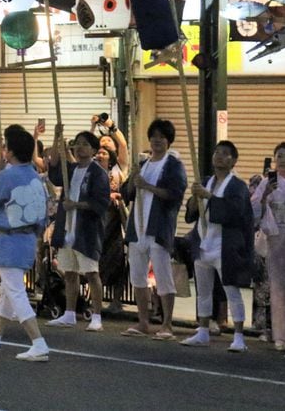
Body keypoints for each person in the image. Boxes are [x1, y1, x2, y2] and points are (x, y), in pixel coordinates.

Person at [0, 125, 51, 362]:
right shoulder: (35, 177)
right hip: (29, 239)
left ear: (10, 151)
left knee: (15, 291)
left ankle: (38, 342)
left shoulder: (8, 175)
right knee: (9, 290)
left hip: (8, 238)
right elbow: (44, 212)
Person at [179, 140, 253, 352]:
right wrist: (196, 196)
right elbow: (192, 213)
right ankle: (202, 330)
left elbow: (235, 213)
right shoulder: (206, 181)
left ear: (234, 160)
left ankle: (239, 335)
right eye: (217, 152)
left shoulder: (237, 186)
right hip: (204, 241)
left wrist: (209, 197)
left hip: (224, 244)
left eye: (225, 154)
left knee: (231, 290)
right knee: (203, 291)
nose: (219, 156)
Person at [121, 119, 187, 340]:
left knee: (163, 275)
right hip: (137, 229)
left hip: (158, 228)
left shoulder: (173, 165)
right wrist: (134, 180)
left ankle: (167, 324)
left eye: (161, 137)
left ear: (168, 141)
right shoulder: (144, 164)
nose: (157, 141)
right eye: (154, 137)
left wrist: (147, 186)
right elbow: (127, 193)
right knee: (138, 277)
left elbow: (175, 193)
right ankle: (143, 322)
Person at [47, 131, 110, 331]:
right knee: (70, 273)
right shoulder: (71, 169)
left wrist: (76, 205)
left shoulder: (98, 172)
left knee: (91, 272)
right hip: (67, 228)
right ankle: (69, 313)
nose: (80, 147)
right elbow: (54, 172)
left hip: (86, 230)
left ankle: (97, 315)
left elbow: (100, 203)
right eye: (77, 144)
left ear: (93, 149)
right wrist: (57, 140)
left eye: (85, 144)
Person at [250, 142, 285, 351]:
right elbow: (255, 207)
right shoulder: (266, 182)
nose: (282, 160)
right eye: (279, 156)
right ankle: (281, 335)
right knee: (278, 287)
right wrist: (265, 197)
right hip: (275, 234)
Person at [95, 143, 128, 316]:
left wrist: (117, 197)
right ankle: (97, 300)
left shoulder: (117, 173)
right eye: (98, 152)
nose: (100, 155)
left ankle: (116, 300)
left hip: (114, 223)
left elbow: (126, 192)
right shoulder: (91, 173)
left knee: (117, 262)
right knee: (97, 264)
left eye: (104, 153)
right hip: (97, 223)